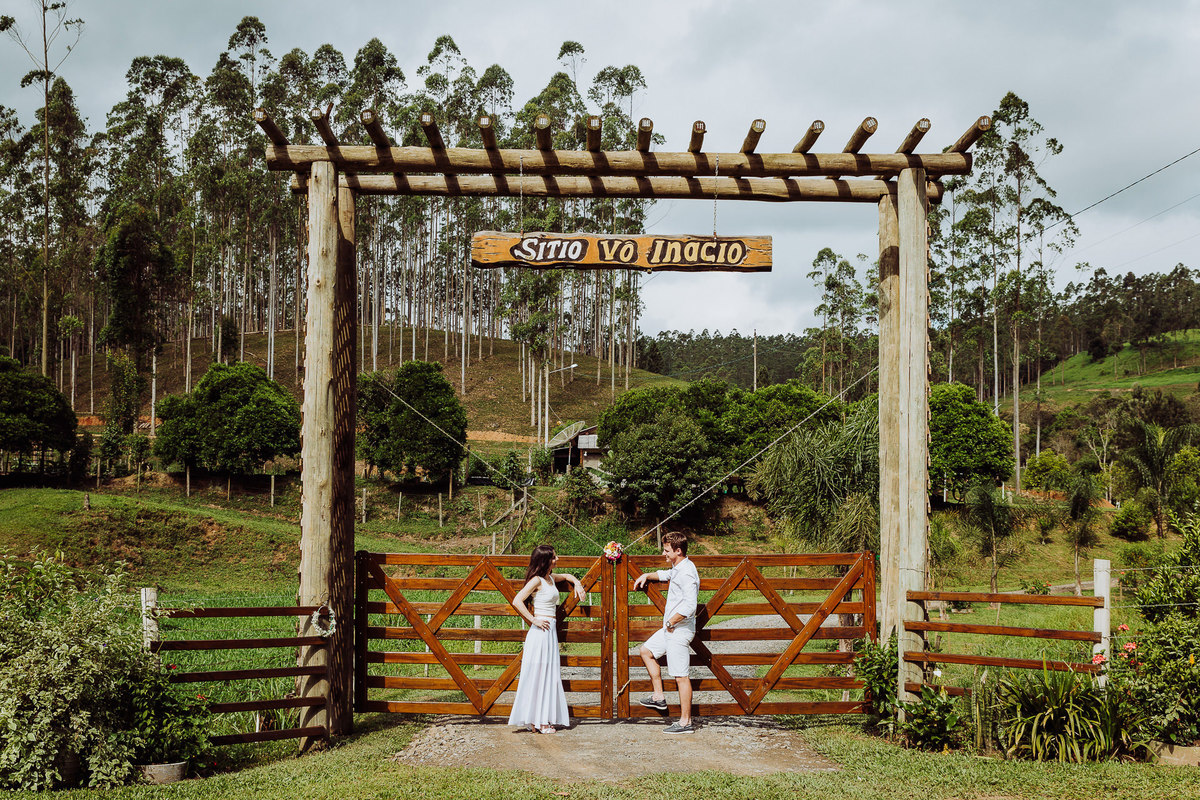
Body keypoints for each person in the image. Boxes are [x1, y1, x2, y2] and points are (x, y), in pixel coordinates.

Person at [508, 544, 586, 734]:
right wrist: (533, 619)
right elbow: (517, 600)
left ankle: (539, 718)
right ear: (545, 560)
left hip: (549, 632)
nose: (557, 559)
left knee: (548, 674)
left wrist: (578, 583)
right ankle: (539, 721)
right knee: (539, 674)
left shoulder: (550, 578)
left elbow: (567, 577)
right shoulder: (536, 580)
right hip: (540, 631)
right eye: (553, 557)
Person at [633, 531, 700, 734]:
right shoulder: (678, 567)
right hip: (670, 629)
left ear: (678, 551)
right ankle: (659, 697)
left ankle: (685, 722)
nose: (664, 553)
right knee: (646, 651)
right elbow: (666, 575)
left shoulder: (687, 572)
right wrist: (646, 575)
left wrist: (671, 622)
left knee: (681, 676)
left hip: (679, 630)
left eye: (667, 550)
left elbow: (690, 605)